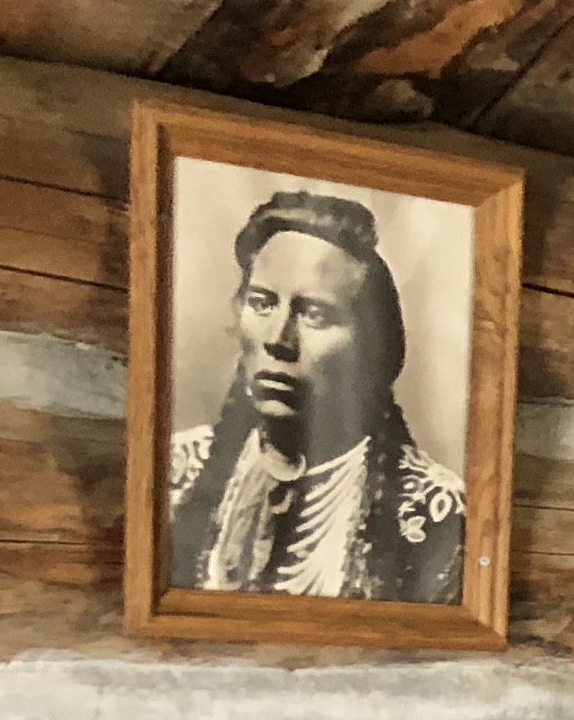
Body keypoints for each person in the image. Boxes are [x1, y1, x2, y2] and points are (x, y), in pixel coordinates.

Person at [163, 187, 468, 604]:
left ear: (370, 347)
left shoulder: (432, 513)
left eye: (314, 314)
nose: (278, 339)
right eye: (262, 303)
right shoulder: (177, 475)